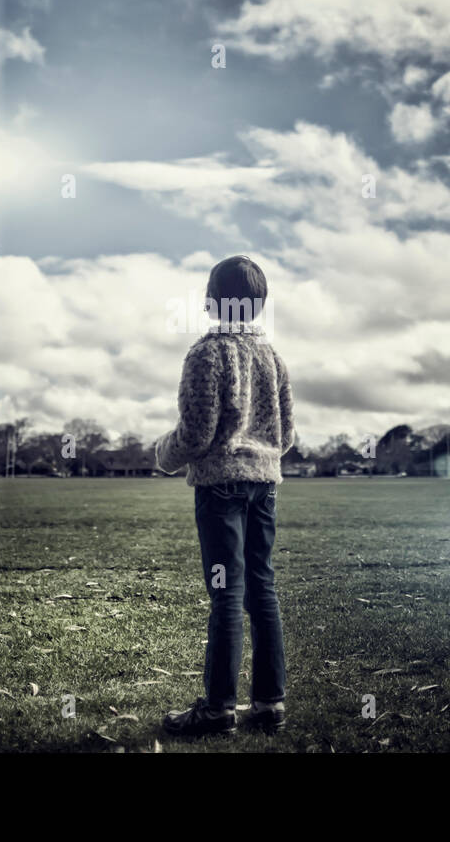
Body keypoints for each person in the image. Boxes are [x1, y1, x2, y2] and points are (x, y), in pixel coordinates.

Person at [155, 255, 295, 736]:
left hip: (220, 489)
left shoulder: (206, 353)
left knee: (225, 595)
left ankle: (217, 710)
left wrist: (163, 454)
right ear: (259, 304)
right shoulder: (273, 357)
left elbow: (195, 436)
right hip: (265, 486)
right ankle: (270, 703)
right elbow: (288, 435)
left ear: (214, 299)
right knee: (263, 589)